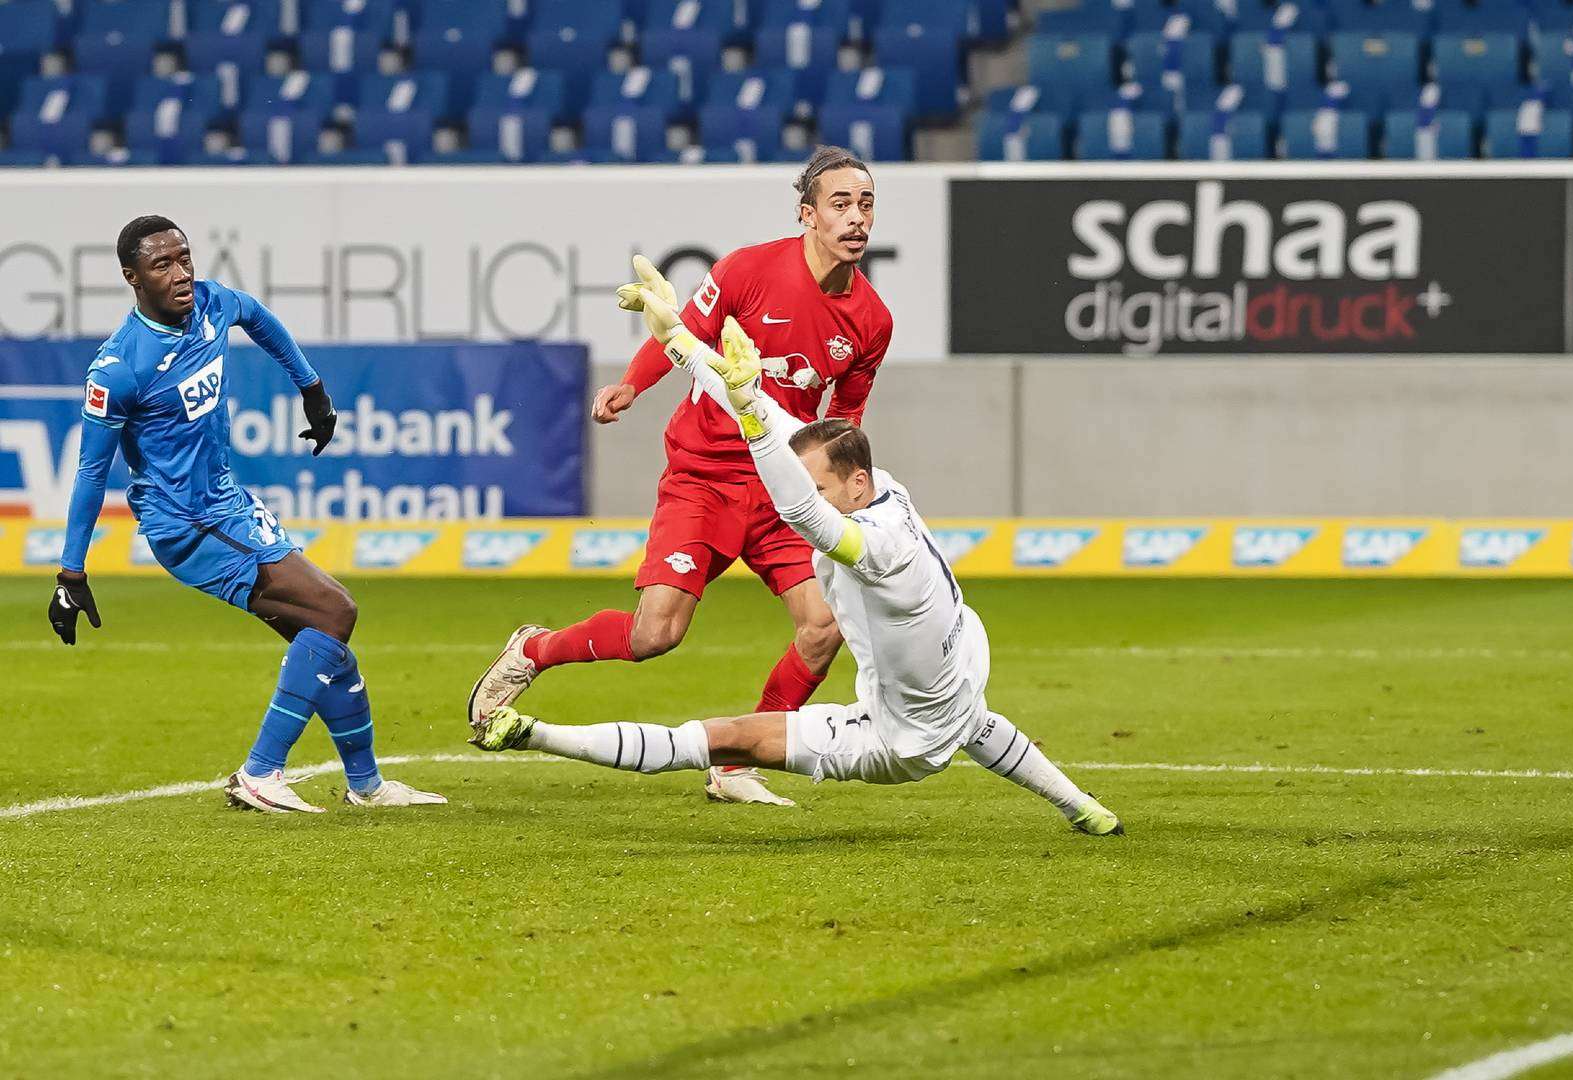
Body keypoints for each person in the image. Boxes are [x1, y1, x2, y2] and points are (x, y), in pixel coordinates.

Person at [470, 274, 1121, 836]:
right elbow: (790, 440)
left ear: (854, 485)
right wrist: (680, 345)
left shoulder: (873, 542)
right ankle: (1085, 809)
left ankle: (551, 737)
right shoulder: (884, 487)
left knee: (712, 736)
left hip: (890, 742)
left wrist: (753, 424)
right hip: (949, 679)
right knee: (659, 635)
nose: (856, 216)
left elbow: (804, 511)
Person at [469, 145, 892, 807]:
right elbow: (680, 332)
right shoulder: (750, 270)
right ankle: (535, 649)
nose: (856, 217)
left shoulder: (871, 320)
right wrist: (632, 385)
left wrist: (840, 495)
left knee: (824, 627)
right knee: (654, 635)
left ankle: (733, 763)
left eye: (865, 204)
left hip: (781, 487)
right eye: (840, 204)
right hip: (706, 475)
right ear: (808, 214)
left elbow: (845, 417)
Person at [48, 214, 444, 814]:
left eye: (185, 258)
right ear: (132, 278)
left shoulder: (211, 304)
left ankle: (367, 787)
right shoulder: (119, 367)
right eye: (163, 265)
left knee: (326, 640)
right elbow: (89, 472)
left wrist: (310, 386)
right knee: (335, 610)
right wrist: (71, 573)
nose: (181, 274)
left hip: (229, 508)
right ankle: (261, 773)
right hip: (188, 526)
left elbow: (256, 314)